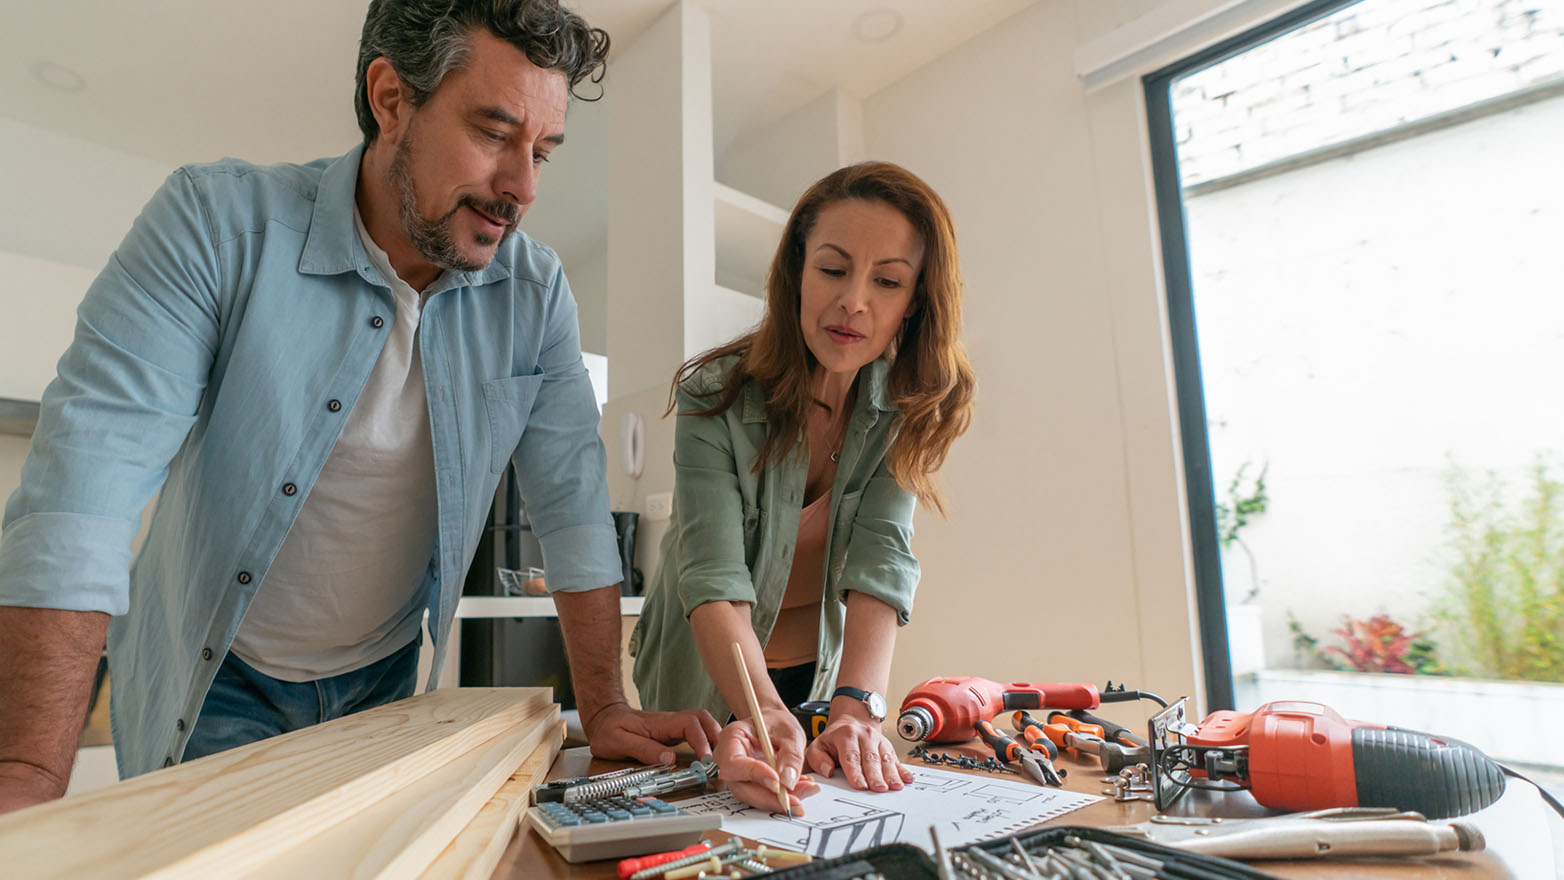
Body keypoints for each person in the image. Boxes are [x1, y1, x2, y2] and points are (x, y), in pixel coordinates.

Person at [0, 0, 720, 816]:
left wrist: (607, 707)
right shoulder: (214, 223)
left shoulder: (536, 292)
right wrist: (28, 773)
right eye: (493, 132)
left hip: (383, 682)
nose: (521, 187)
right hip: (211, 680)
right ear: (390, 99)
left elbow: (574, 506)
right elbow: (81, 494)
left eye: (543, 152)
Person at [630, 162, 976, 812]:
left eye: (888, 281)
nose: (855, 302)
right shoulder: (714, 398)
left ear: (915, 300)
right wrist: (759, 712)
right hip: (700, 674)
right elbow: (713, 581)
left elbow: (880, 566)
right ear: (795, 274)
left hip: (814, 674)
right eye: (834, 269)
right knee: (700, 827)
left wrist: (856, 714)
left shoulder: (898, 412)